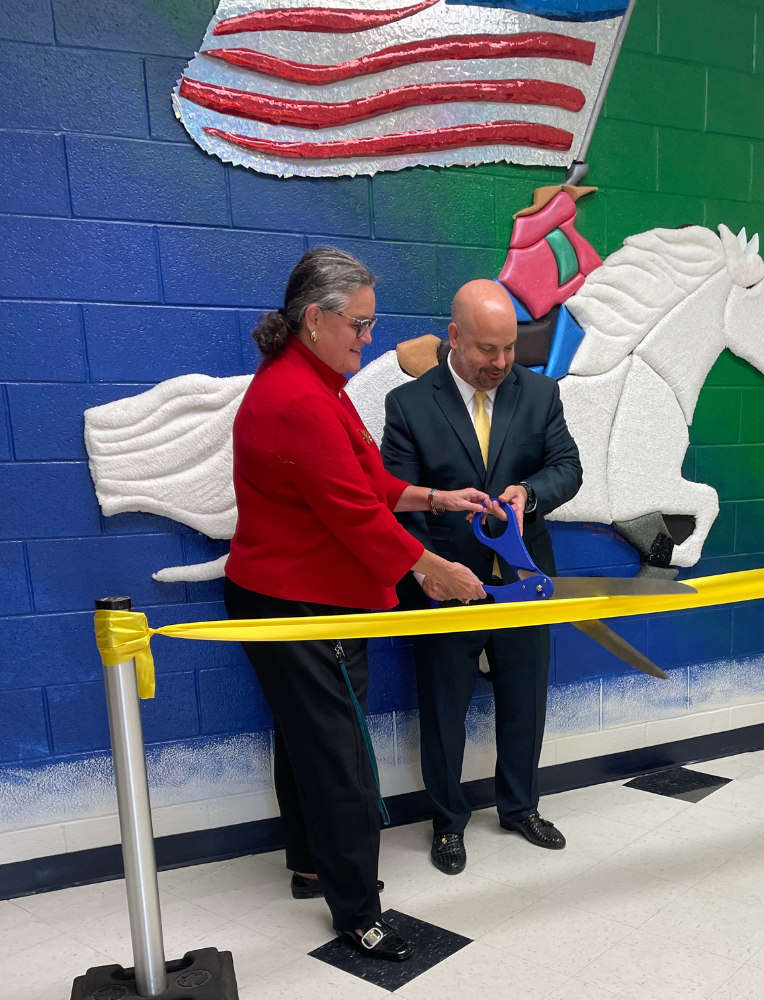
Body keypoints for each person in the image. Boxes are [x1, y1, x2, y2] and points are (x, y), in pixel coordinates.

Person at [224, 247, 489, 962]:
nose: (370, 341)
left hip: (289, 596)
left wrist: (437, 497)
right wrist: (437, 570)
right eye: (360, 327)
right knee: (342, 756)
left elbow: (369, 481)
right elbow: (355, 515)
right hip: (301, 607)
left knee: (305, 738)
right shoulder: (300, 400)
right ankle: (358, 910)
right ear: (315, 318)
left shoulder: (317, 383)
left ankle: (310, 864)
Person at [382, 279, 583, 875]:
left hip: (525, 583)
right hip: (447, 586)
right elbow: (396, 502)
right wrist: (429, 574)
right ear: (454, 337)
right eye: (485, 350)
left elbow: (567, 467)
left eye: (508, 348)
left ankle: (520, 807)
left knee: (526, 701)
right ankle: (448, 824)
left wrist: (531, 494)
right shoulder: (409, 405)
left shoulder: (542, 394)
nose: (499, 363)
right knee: (443, 710)